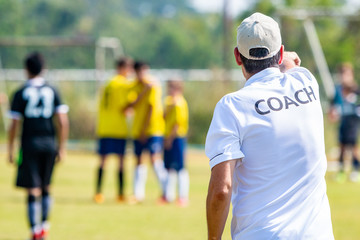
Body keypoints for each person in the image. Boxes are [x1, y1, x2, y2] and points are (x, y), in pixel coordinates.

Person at [205, 13, 334, 239]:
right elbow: (290, 62)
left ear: (237, 56)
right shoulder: (306, 81)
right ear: (280, 51)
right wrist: (283, 55)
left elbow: (222, 189)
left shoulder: (231, 106)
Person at [7, 52, 69, 240]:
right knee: (47, 186)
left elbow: (14, 125)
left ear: (26, 69)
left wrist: (10, 149)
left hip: (30, 144)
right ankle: (45, 226)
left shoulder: (20, 92)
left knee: (32, 188)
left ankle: (35, 231)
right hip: (50, 144)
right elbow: (63, 122)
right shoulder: (53, 90)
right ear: (44, 68)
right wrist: (62, 146)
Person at [126, 61, 167, 203]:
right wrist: (144, 91)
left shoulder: (154, 85)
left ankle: (166, 192)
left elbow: (151, 108)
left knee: (154, 159)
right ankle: (138, 195)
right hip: (139, 130)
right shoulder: (136, 86)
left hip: (153, 129)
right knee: (138, 160)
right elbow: (130, 105)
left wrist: (144, 129)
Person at [95, 57, 133, 203]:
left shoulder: (108, 83)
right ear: (122, 68)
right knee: (121, 161)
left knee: (102, 161)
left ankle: (98, 193)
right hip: (118, 128)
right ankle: (121, 194)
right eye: (129, 68)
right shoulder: (122, 84)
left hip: (104, 127)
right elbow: (126, 106)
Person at [329, 63, 360, 182]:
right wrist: (332, 114)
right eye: (342, 74)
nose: (343, 77)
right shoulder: (337, 89)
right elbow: (332, 105)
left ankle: (356, 170)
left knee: (352, 146)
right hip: (343, 120)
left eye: (346, 74)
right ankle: (341, 171)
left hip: (353, 120)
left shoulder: (356, 89)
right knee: (341, 146)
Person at [163, 79, 189, 206]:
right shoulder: (169, 102)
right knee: (168, 167)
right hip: (168, 137)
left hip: (176, 138)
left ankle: (183, 196)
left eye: (171, 88)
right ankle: (168, 195)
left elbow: (177, 124)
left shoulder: (179, 103)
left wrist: (169, 139)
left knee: (180, 167)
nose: (169, 91)